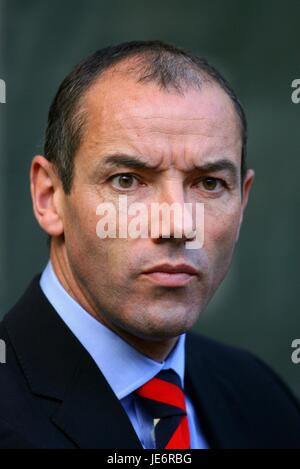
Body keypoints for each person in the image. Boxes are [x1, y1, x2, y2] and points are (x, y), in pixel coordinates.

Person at [0, 40, 299, 449]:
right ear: (49, 198)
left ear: (243, 200)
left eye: (210, 184)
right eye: (127, 180)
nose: (178, 224)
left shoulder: (263, 400)